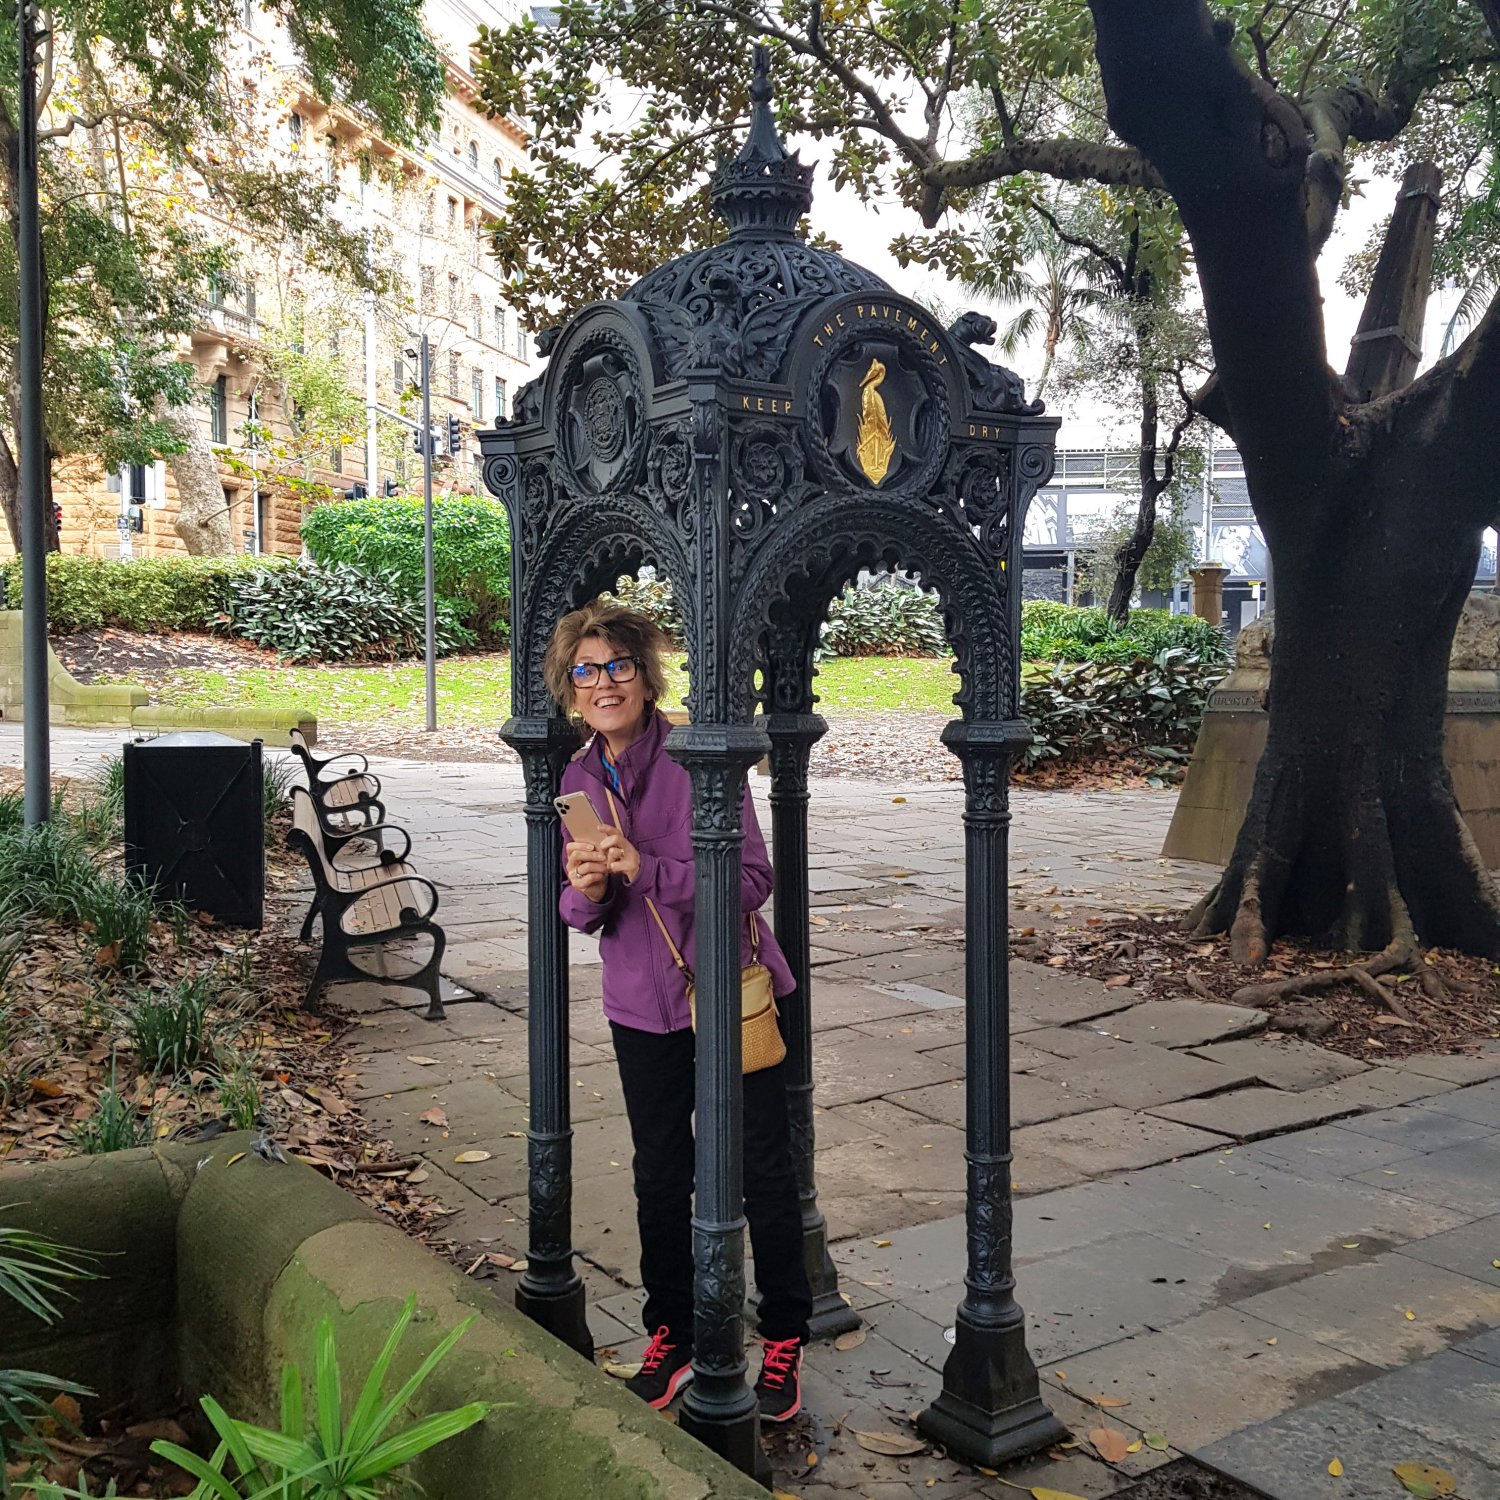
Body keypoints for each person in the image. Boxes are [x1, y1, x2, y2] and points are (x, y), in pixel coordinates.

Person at [548, 601, 812, 1423]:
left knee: (761, 1170)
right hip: (639, 1007)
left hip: (730, 996)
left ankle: (784, 1339)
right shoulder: (578, 779)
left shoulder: (700, 758)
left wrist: (650, 867)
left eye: (618, 666)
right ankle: (671, 1331)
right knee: (659, 1172)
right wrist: (585, 893)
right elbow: (574, 909)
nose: (603, 684)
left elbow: (752, 883)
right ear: (570, 687)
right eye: (586, 671)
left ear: (645, 674)